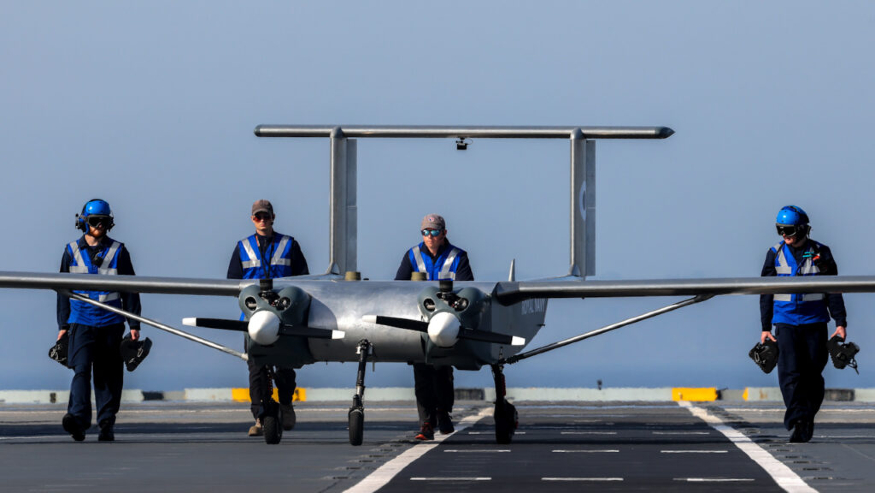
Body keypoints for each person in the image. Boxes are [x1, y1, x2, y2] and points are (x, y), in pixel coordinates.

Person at [760, 205, 847, 443]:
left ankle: (806, 416)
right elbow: (765, 293)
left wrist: (841, 322)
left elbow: (834, 289)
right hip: (785, 322)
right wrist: (765, 327)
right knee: (789, 374)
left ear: (801, 229)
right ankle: (798, 421)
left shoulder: (822, 252)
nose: (784, 235)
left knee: (813, 375)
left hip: (815, 322)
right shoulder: (774, 253)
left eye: (788, 230)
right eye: (780, 230)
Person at [57, 199, 142, 442]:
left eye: (104, 222)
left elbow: (132, 288)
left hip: (111, 323)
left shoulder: (118, 251)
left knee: (108, 376)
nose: (100, 226)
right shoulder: (70, 251)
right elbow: (62, 290)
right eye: (95, 221)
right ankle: (77, 419)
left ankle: (106, 423)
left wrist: (134, 324)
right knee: (80, 370)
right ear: (84, 222)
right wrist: (63, 325)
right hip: (81, 321)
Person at [227, 199, 309, 437]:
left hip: (284, 317)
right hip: (253, 319)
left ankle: (285, 402)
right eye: (257, 217)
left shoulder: (289, 244)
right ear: (252, 219)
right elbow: (232, 282)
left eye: (266, 216)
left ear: (274, 217)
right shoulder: (242, 247)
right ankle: (261, 417)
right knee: (256, 369)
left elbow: (304, 279)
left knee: (285, 366)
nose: (262, 221)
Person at [395, 214, 473, 440]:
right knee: (421, 372)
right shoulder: (412, 255)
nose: (430, 237)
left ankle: (443, 413)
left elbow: (467, 289)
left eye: (434, 232)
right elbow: (398, 287)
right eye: (425, 232)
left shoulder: (459, 256)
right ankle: (426, 423)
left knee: (442, 371)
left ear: (444, 233)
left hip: (447, 324)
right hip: (417, 323)